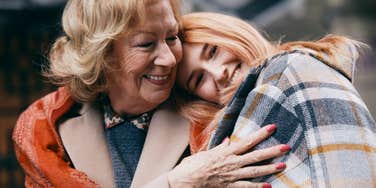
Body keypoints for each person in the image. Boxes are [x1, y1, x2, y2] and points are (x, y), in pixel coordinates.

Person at [13, 1, 291, 188]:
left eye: (172, 37)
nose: (170, 59)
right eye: (146, 44)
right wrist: (176, 183)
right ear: (103, 56)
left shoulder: (213, 110)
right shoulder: (46, 136)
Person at [175, 12, 376, 187]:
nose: (219, 73)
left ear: (230, 32)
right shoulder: (222, 137)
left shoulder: (291, 70)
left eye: (213, 52)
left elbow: (355, 170)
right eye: (199, 79)